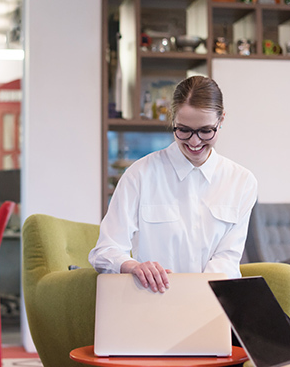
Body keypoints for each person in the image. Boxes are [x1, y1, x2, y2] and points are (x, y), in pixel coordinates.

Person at [89, 76, 257, 294]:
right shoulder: (139, 175)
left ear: (221, 119)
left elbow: (227, 259)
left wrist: (196, 297)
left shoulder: (242, 182)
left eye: (206, 131)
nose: (194, 142)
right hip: (153, 301)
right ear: (172, 120)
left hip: (212, 301)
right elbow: (104, 251)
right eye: (184, 130)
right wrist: (134, 266)